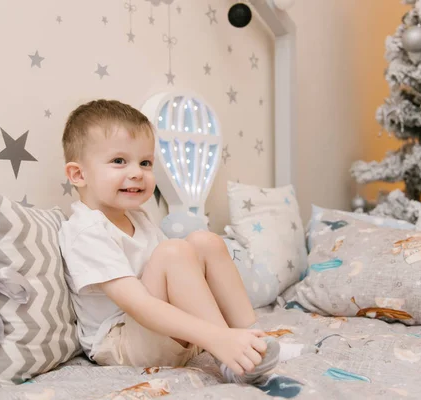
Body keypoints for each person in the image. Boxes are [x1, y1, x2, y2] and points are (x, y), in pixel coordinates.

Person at [58, 99, 282, 384]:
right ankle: (227, 353)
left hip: (161, 330)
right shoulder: (86, 230)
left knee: (204, 241)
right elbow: (139, 304)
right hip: (122, 343)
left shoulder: (138, 217)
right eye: (119, 161)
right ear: (78, 175)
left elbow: (177, 279)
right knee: (173, 251)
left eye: (145, 162)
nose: (137, 172)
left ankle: (254, 339)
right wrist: (216, 336)